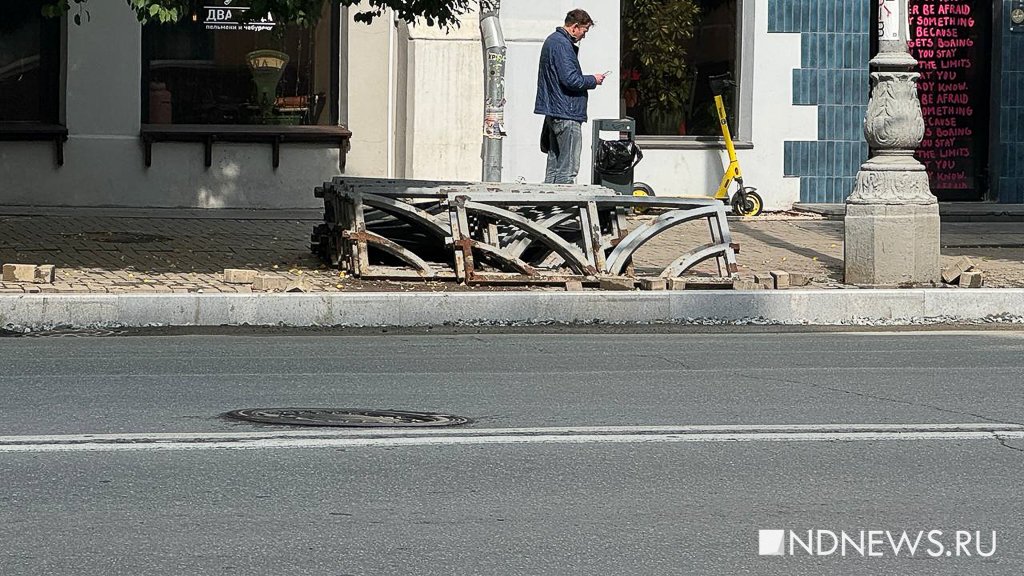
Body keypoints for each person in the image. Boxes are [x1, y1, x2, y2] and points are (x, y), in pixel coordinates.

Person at [535, 9, 606, 184]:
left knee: (555, 164)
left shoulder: (553, 41)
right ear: (575, 27)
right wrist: (593, 80)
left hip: (555, 111)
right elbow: (570, 80)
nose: (584, 36)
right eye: (584, 30)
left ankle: (549, 205)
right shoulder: (562, 45)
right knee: (568, 168)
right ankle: (563, 206)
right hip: (567, 112)